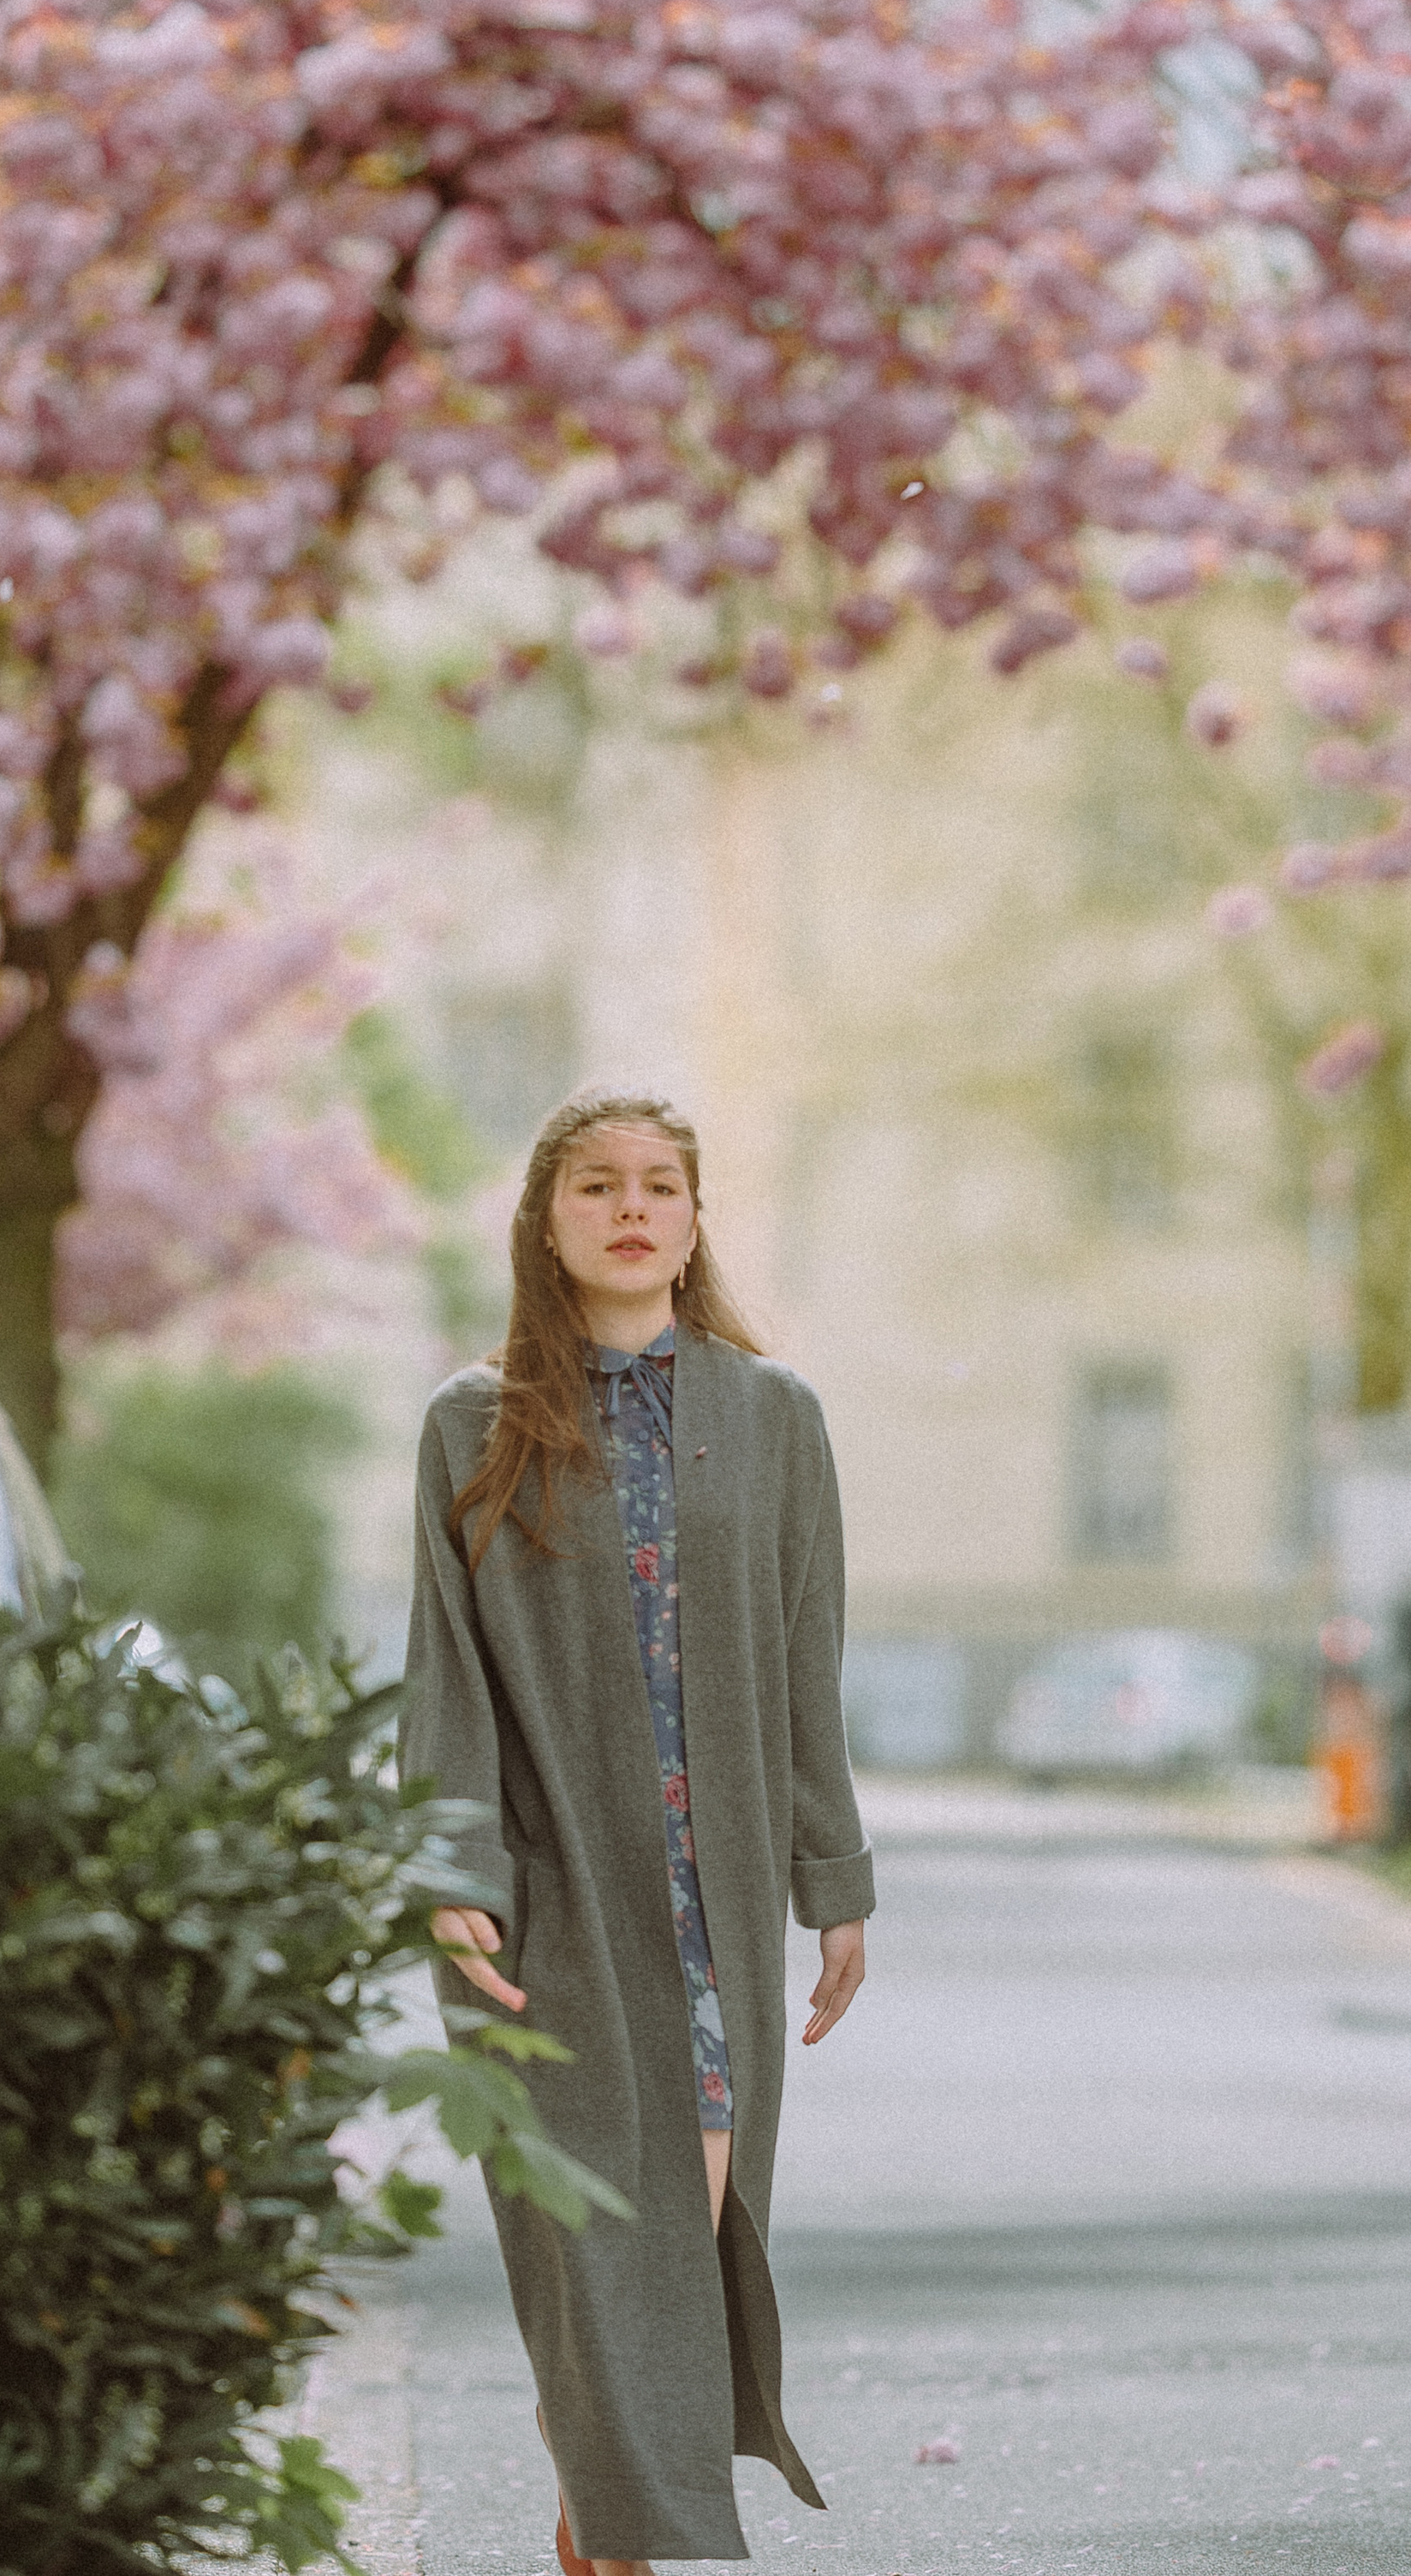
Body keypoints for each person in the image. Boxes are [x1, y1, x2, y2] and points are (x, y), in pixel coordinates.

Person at [401, 1087, 874, 2576]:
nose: (631, 1207)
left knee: (687, 2235)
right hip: (554, 1907)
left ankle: (599, 2525)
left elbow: (810, 1659)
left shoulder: (773, 1414)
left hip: (714, 1903)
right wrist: (453, 1867)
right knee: (592, 2256)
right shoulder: (471, 1424)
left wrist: (831, 1876)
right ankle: (621, 2537)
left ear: (692, 1216)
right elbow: (447, 1668)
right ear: (547, 1219)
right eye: (597, 1184)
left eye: (661, 1184)